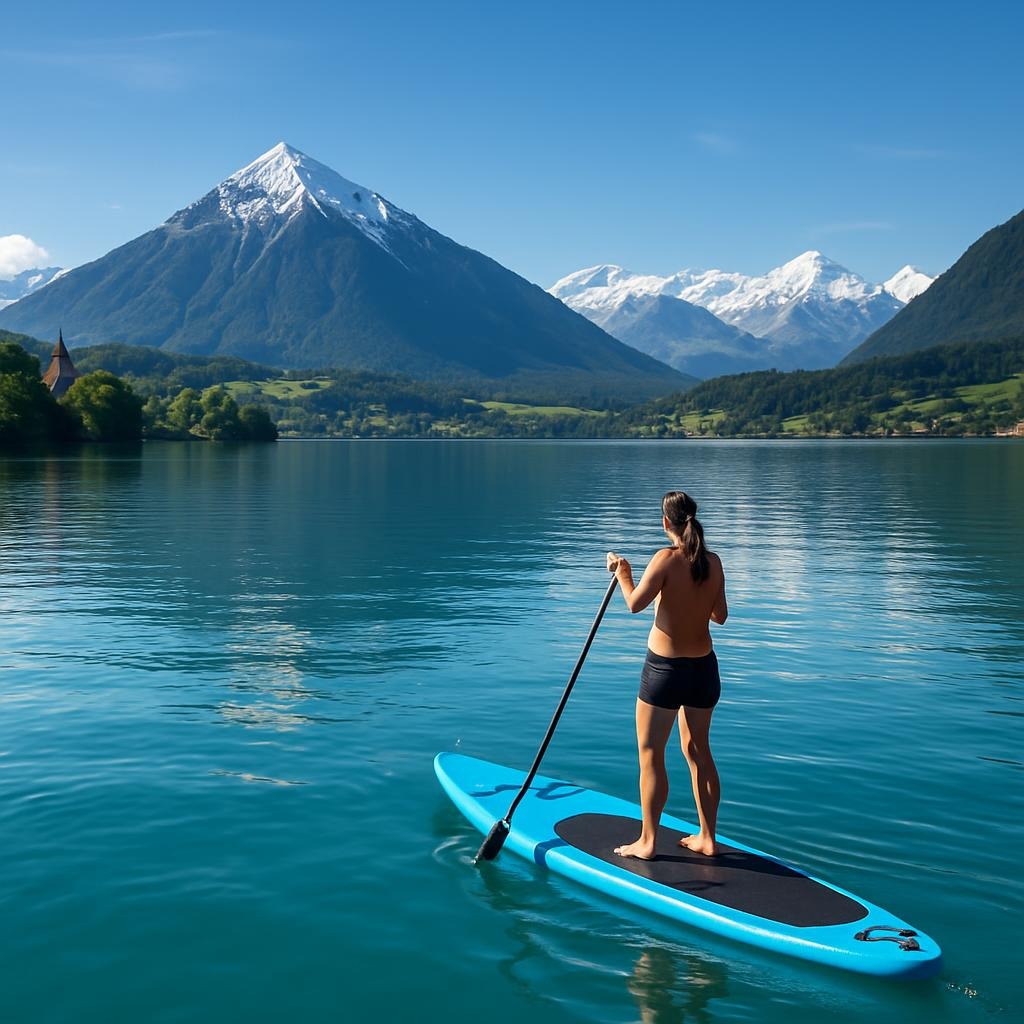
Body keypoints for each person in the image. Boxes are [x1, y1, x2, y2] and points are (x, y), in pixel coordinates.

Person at [606, 490, 728, 860]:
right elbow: (719, 616)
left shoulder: (664, 559)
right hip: (703, 669)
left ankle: (647, 842)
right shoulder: (713, 562)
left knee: (651, 753)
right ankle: (708, 837)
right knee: (698, 752)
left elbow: (633, 604)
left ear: (666, 523)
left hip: (665, 671)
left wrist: (623, 572)